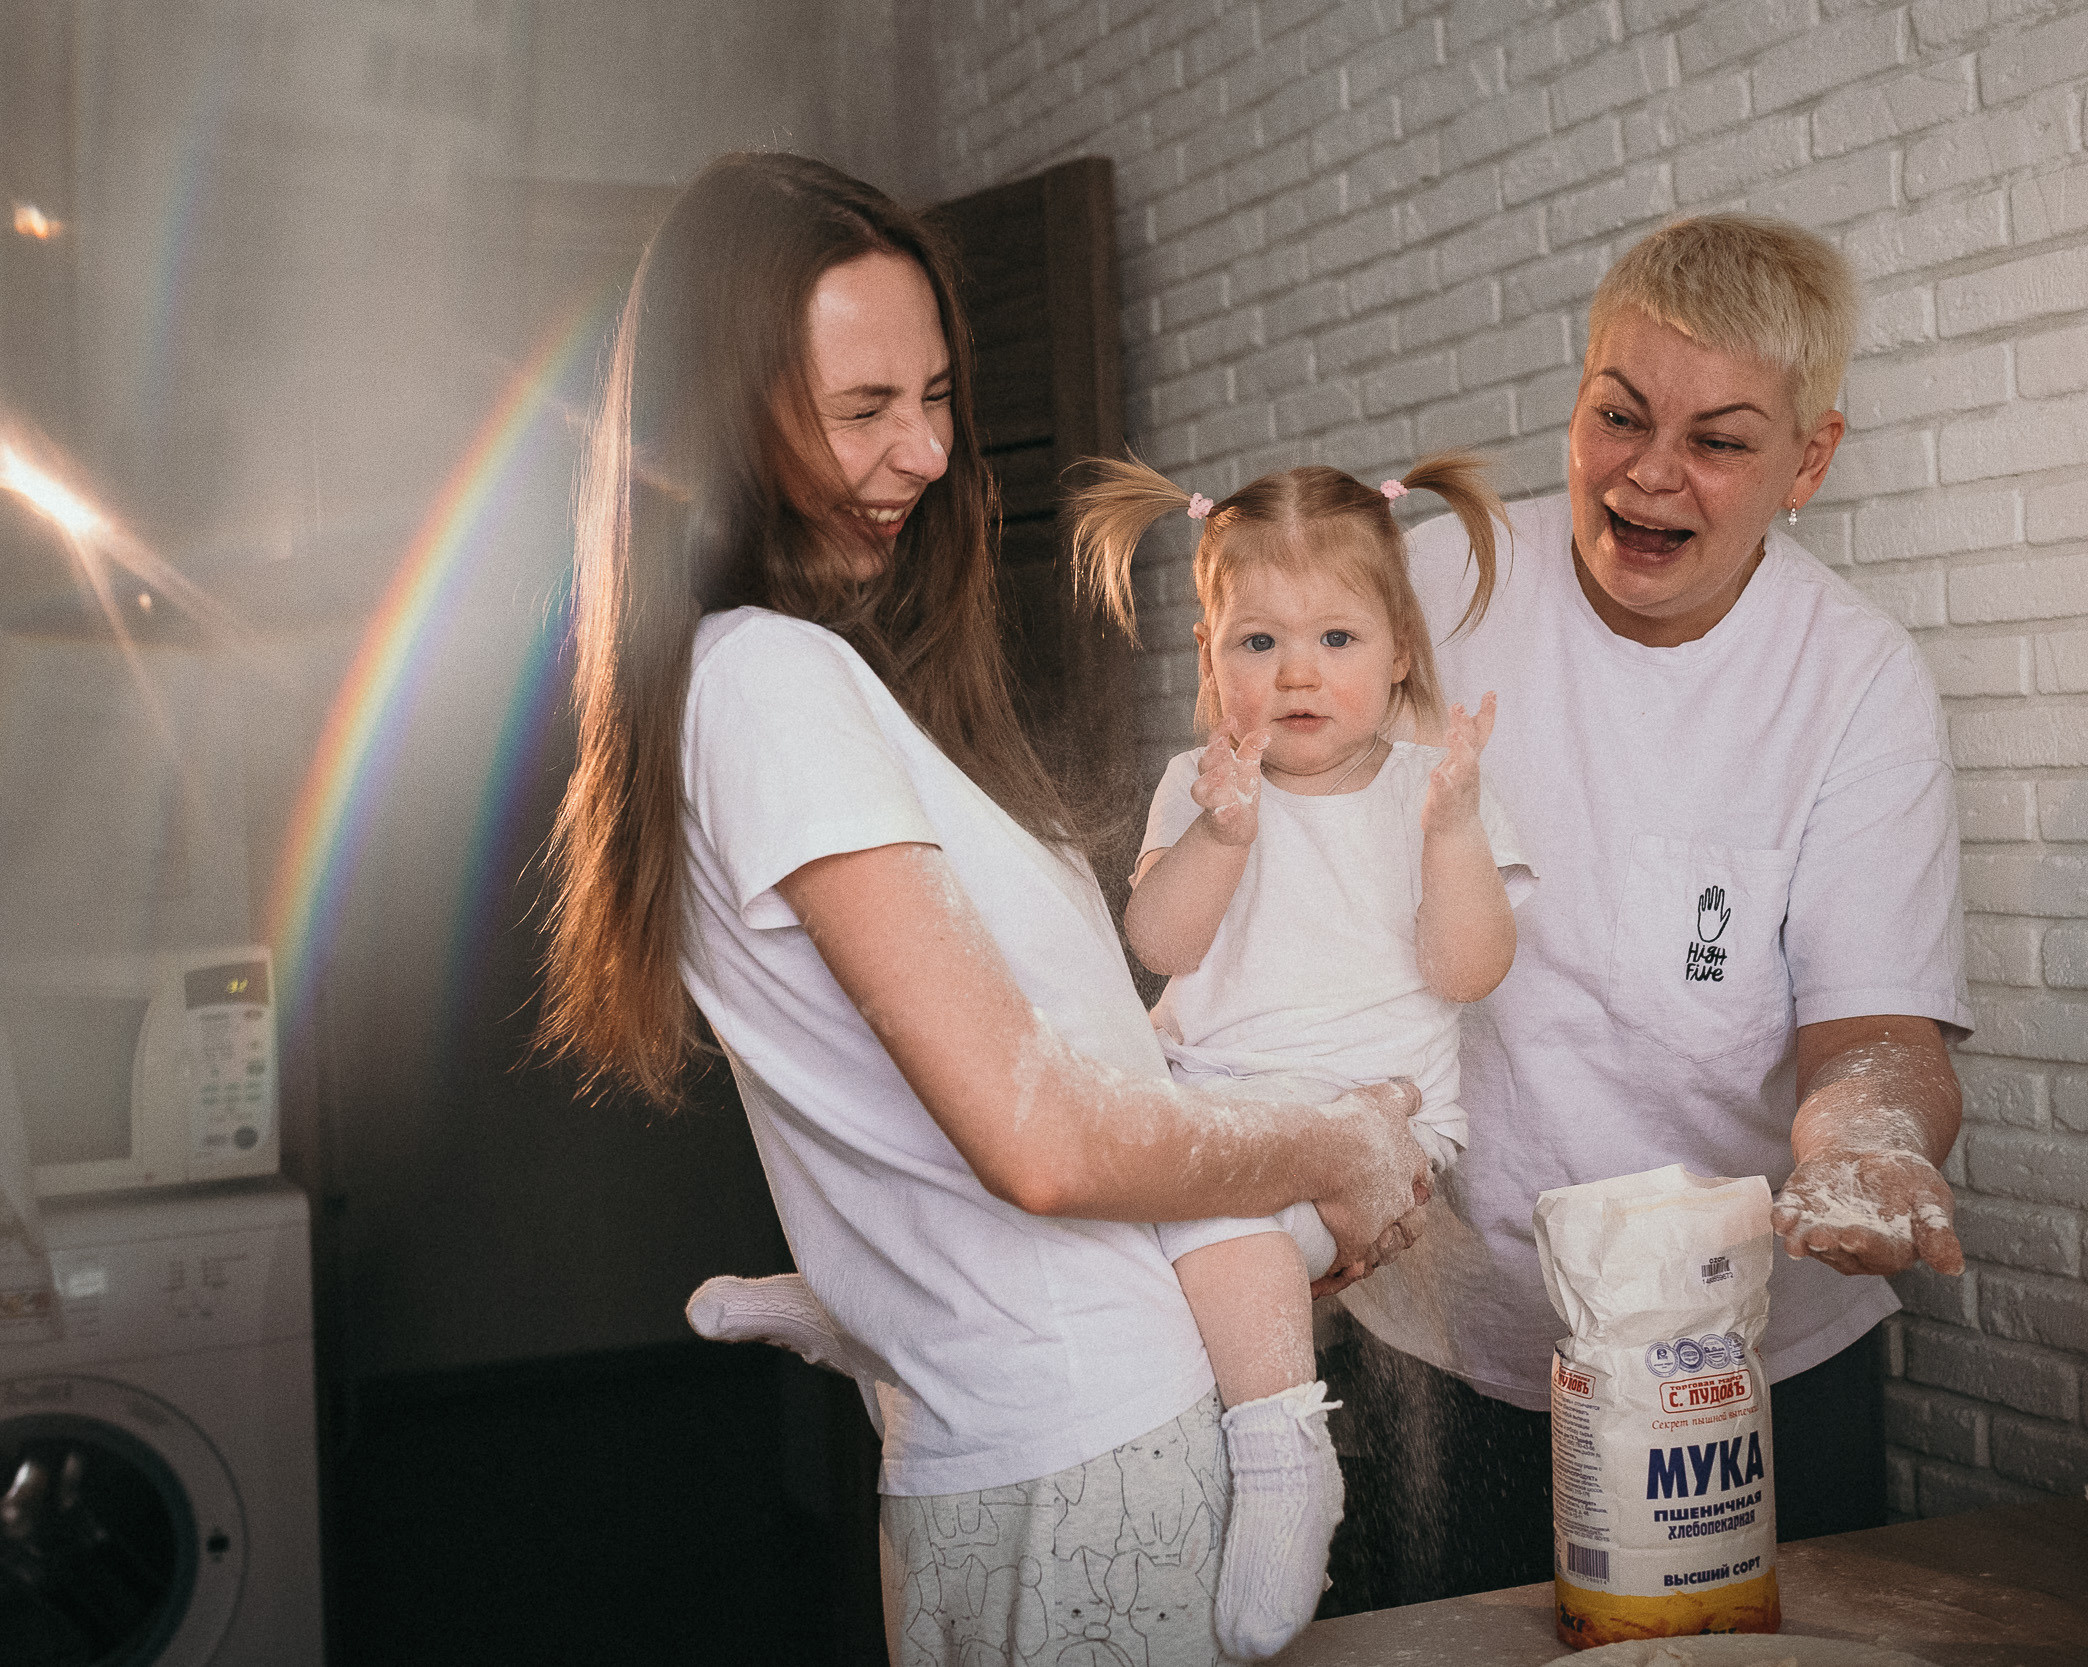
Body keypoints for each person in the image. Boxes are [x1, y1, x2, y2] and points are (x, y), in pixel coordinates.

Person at [533, 153, 1429, 1667]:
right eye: (862, 409)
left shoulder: (793, 683)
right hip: (1089, 1444)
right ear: (722, 420)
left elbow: (972, 1096)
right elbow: (1045, 1137)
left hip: (1019, 1439)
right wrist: (1335, 1138)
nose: (932, 451)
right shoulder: (772, 683)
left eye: (937, 394)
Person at [1321, 211, 1974, 1611]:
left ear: (1810, 458)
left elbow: (1877, 1034)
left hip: (1737, 1359)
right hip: (1446, 1329)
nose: (1649, 473)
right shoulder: (1431, 588)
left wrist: (1869, 1138)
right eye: (1617, 414)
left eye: (1721, 438)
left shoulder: (1853, 680)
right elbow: (1298, 886)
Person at [1064, 453, 1537, 1650]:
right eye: (1258, 643)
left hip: (1364, 1130)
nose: (1297, 673)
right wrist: (1222, 833)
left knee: (1221, 1225)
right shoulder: (1204, 782)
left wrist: (1455, 837)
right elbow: (1156, 939)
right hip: (1207, 1095)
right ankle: (874, 1295)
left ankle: (1282, 1451)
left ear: (1400, 655)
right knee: (1045, 1134)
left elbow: (1468, 969)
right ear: (1209, 653)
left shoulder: (1435, 789)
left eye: (1334, 636)